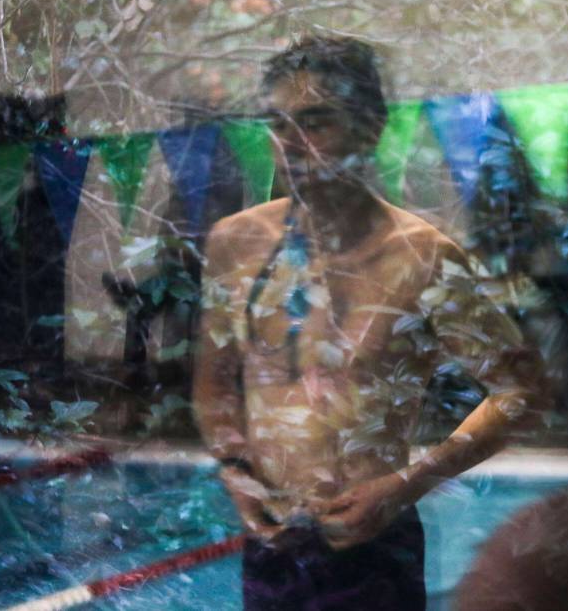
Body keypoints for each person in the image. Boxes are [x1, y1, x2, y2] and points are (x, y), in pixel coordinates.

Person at [192, 35, 546, 610]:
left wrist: (407, 485)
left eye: (317, 123)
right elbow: (214, 384)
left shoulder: (422, 256)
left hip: (374, 545)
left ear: (371, 127)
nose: (294, 146)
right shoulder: (236, 243)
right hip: (272, 544)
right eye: (279, 126)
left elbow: (522, 391)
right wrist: (235, 469)